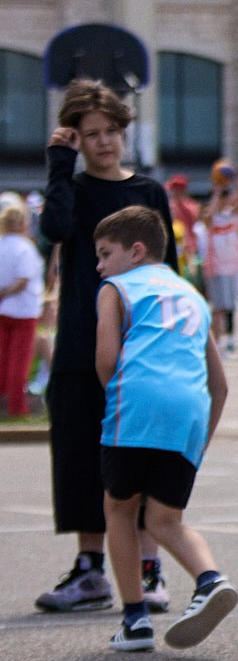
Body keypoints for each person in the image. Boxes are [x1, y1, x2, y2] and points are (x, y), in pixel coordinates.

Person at [37, 80, 177, 616]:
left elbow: (172, 271)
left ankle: (149, 570)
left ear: (124, 131)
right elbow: (52, 228)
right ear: (76, 137)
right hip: (80, 344)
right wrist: (57, 162)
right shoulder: (71, 191)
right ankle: (90, 570)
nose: (104, 142)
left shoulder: (149, 192)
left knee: (139, 462)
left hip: (142, 351)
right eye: (90, 134)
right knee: (79, 459)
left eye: (112, 132)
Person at [91, 207, 238, 654]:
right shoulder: (192, 294)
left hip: (137, 402)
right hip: (190, 411)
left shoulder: (116, 287)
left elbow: (106, 357)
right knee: (164, 518)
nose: (99, 265)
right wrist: (200, 439)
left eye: (104, 253)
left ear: (136, 252)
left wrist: (115, 397)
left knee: (119, 508)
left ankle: (135, 618)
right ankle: (210, 579)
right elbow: (221, 384)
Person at [200, 181, 238, 357]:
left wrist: (236, 180)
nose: (225, 201)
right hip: (217, 268)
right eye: (222, 199)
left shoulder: (234, 217)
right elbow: (208, 216)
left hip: (235, 268)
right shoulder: (213, 219)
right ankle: (223, 343)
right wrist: (217, 192)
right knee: (222, 308)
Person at [0, 201, 45, 417]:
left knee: (2, 359)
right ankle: (16, 407)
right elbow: (23, 280)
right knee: (19, 361)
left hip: (3, 310)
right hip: (23, 310)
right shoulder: (25, 248)